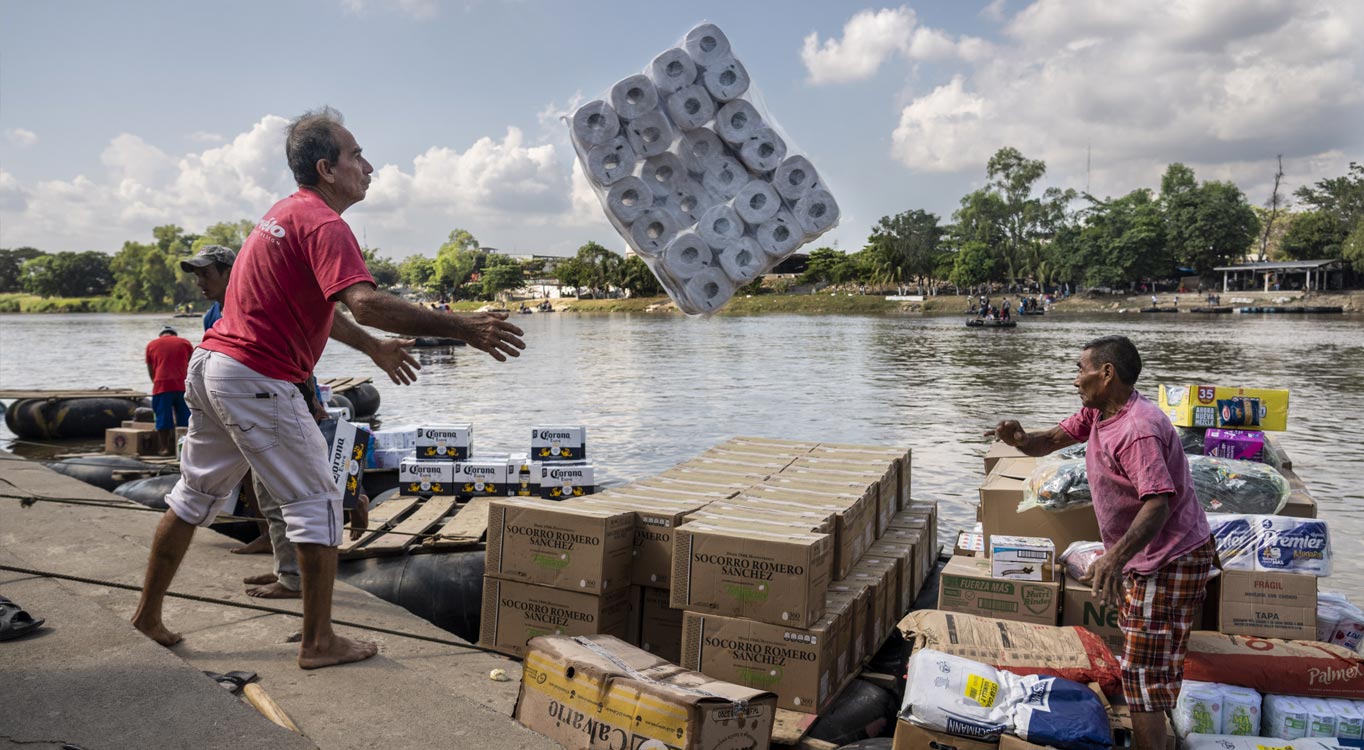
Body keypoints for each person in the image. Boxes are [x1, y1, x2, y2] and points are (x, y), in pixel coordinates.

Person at [131, 107, 525, 669]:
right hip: (256, 378)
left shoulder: (283, 214)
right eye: (356, 155)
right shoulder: (325, 223)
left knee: (193, 496)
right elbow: (363, 301)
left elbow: (328, 308)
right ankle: (319, 642)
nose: (369, 166)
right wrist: (463, 326)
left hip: (214, 367)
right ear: (327, 168)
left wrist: (373, 349)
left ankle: (147, 615)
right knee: (318, 504)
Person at [987, 335, 1212, 750]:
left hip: (1169, 558)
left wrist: (1113, 559)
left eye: (1080, 369)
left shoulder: (1138, 429)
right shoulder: (1099, 413)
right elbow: (1050, 441)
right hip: (1145, 556)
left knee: (1141, 680)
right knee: (1144, 668)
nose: (1075, 379)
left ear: (1106, 374)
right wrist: (1019, 439)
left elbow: (1158, 505)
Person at [144, 326, 194, 456]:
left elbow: (150, 368)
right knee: (185, 418)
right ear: (174, 334)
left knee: (163, 418)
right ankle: (185, 450)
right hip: (182, 385)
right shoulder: (184, 343)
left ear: (161, 335)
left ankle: (164, 448)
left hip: (162, 386)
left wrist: (155, 382)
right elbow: (193, 364)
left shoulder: (151, 345)